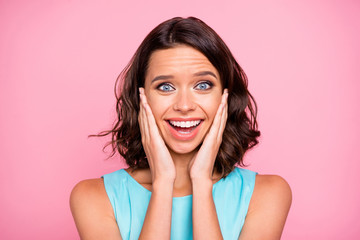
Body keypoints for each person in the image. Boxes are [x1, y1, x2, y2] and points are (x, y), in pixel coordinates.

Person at [70, 16, 292, 240]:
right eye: (165, 87)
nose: (184, 106)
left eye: (203, 85)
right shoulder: (94, 197)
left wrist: (202, 183)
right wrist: (163, 183)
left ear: (226, 95)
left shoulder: (266, 194)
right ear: (141, 97)